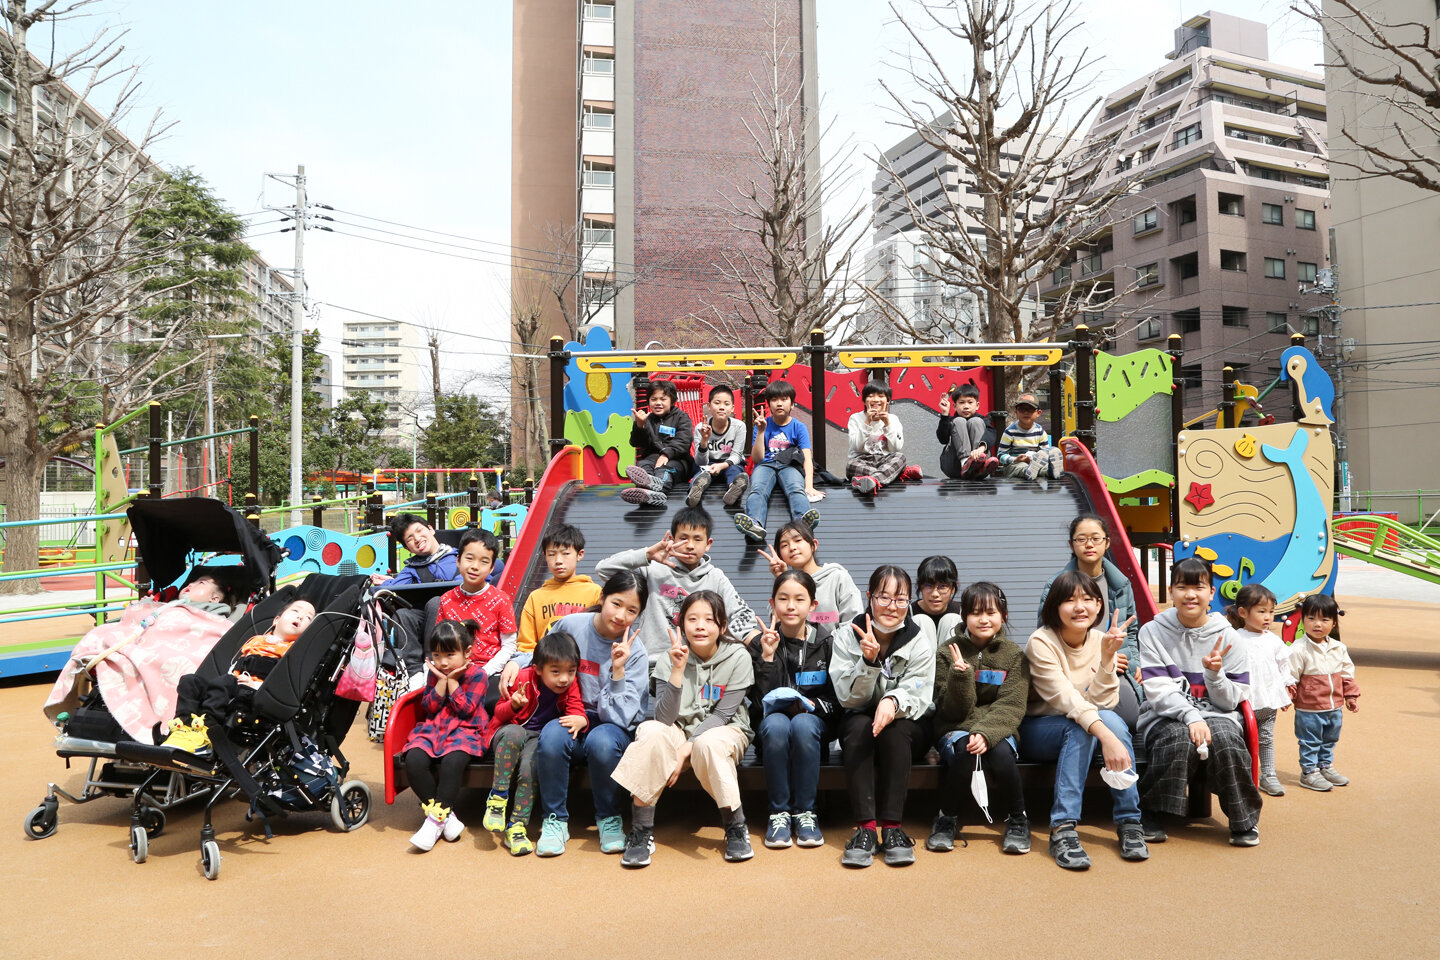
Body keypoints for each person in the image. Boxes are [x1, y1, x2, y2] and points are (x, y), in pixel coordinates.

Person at [613, 591, 756, 867]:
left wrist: (685, 749)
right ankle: (641, 831)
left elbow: (724, 714)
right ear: (681, 624)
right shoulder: (668, 658)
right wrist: (677, 670)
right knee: (651, 731)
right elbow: (664, 717)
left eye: (708, 620)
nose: (700, 626)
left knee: (709, 743)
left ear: (722, 626)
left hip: (726, 729)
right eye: (692, 619)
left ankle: (735, 826)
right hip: (677, 728)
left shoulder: (739, 656)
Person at [1021, 570, 1146, 870]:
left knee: (1110, 723)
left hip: (1083, 724)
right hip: (1039, 729)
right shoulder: (1041, 642)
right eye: (1069, 600)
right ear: (1054, 606)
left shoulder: (1103, 640)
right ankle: (1062, 828)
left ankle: (1129, 821)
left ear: (1099, 605)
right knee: (1089, 729)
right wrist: (1107, 737)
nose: (1080, 607)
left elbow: (1105, 702)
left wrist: (1106, 659)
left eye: (1088, 599)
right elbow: (1068, 700)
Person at [1136, 558, 1262, 848]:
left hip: (1220, 714)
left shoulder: (1229, 637)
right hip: (1166, 714)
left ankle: (1243, 820)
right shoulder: (1152, 632)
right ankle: (1152, 811)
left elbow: (1234, 699)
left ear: (1211, 592)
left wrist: (1215, 675)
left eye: (1198, 587)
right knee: (1177, 737)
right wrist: (1192, 716)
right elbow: (1157, 690)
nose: (1190, 594)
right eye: (1182, 587)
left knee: (1228, 740)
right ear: (1171, 591)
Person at [531, 571, 651, 857]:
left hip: (611, 724)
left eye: (632, 610)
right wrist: (516, 662)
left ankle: (609, 818)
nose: (621, 615)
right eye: (617, 604)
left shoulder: (635, 652)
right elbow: (542, 654)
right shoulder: (571, 625)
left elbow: (621, 717)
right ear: (602, 598)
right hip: (572, 713)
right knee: (551, 737)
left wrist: (618, 672)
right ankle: (554, 820)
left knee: (602, 742)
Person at [830, 565, 937, 868]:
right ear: (869, 597)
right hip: (860, 719)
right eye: (884, 597)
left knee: (896, 732)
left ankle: (892, 828)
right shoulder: (845, 636)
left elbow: (920, 690)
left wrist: (892, 700)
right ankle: (865, 829)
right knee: (858, 726)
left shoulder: (918, 639)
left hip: (906, 725)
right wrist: (868, 663)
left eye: (900, 599)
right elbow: (848, 697)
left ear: (909, 602)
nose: (892, 607)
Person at [927, 582, 1032, 855]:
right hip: (956, 726)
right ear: (965, 617)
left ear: (1003, 616)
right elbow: (948, 710)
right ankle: (946, 818)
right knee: (965, 751)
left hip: (998, 727)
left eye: (991, 612)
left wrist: (985, 732)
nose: (983, 619)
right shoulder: (947, 652)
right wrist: (960, 677)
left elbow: (1011, 704)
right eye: (975, 613)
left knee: (1000, 754)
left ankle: (1018, 818)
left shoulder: (1014, 655)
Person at [595, 505, 761, 655]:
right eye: (683, 538)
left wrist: (724, 641)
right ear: (672, 539)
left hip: (696, 666)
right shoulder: (653, 569)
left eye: (697, 539)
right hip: (652, 664)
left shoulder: (715, 578)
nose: (690, 545)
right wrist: (645, 555)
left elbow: (744, 615)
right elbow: (603, 570)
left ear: (708, 543)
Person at [753, 570, 841, 850]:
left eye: (799, 599)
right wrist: (767, 659)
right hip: (772, 730)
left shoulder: (826, 643)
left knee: (803, 724)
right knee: (778, 723)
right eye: (783, 599)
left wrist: (813, 705)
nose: (791, 606)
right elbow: (757, 704)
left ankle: (806, 812)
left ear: (812, 605)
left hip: (812, 727)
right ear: (772, 603)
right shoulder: (761, 643)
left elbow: (838, 697)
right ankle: (778, 813)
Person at [162, 597, 317, 753]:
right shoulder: (255, 640)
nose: (300, 617)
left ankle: (207, 732)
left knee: (226, 682)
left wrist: (256, 685)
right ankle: (183, 726)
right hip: (233, 682)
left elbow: (284, 683)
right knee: (190, 681)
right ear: (276, 620)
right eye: (295, 611)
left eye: (308, 618)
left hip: (258, 693)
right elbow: (236, 665)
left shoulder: (293, 652)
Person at [482, 631, 587, 856]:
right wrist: (514, 705)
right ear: (539, 669)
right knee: (515, 734)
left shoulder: (571, 685)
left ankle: (517, 826)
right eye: (556, 671)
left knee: (531, 766)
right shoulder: (523, 678)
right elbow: (499, 714)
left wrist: (582, 719)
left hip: (538, 738)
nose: (564, 679)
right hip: (508, 731)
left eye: (571, 671)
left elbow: (577, 710)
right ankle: (497, 799)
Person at [401, 620, 490, 851]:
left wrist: (451, 682)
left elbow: (466, 709)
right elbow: (429, 707)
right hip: (435, 728)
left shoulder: (478, 675)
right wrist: (441, 681)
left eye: (450, 654)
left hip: (466, 730)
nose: (442, 662)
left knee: (452, 762)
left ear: (467, 652)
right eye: (437, 655)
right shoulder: (436, 674)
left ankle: (433, 822)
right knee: (413, 759)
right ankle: (445, 819)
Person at [1036, 514, 1142, 708]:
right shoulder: (1056, 586)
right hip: (1073, 668)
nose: (1089, 544)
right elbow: (1046, 631)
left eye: (1095, 538)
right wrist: (1100, 658)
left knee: (1131, 715)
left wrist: (1135, 663)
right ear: (1071, 544)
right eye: (1082, 539)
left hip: (1115, 666)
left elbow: (1131, 631)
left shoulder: (1120, 585)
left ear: (1107, 543)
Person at [422, 529, 517, 698]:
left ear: (492, 567)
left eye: (484, 561)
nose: (475, 566)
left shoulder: (501, 600)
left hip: (488, 671)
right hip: (452, 671)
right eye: (469, 558)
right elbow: (440, 642)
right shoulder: (446, 600)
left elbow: (509, 645)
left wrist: (485, 672)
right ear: (458, 560)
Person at [506, 524, 601, 690]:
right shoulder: (536, 597)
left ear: (580, 554)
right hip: (550, 675)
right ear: (544, 556)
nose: (558, 560)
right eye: (552, 554)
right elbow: (527, 645)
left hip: (584, 672)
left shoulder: (594, 593)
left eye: (565, 553)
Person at [1286, 593, 1359, 792]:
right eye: (1311, 618)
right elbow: (1290, 676)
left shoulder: (1338, 648)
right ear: (1303, 620)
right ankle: (1309, 772)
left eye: (1324, 619)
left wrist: (1350, 696)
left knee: (1330, 739)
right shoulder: (1298, 649)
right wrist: (1288, 697)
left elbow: (1346, 673)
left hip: (1334, 706)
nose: (1317, 624)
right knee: (1310, 741)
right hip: (1309, 708)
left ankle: (1325, 766)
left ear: (1334, 623)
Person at [735, 379, 822, 542]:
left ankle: (803, 522)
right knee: (757, 490)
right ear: (769, 404)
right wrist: (761, 432)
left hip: (788, 465)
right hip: (766, 464)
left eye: (784, 399)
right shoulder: (762, 424)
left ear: (792, 404)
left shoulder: (799, 427)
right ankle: (754, 523)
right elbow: (757, 458)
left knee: (796, 489)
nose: (779, 404)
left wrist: (809, 485)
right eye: (774, 400)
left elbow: (807, 457)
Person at [1227, 584, 1290, 796]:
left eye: (1271, 612)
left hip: (1269, 700)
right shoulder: (1236, 638)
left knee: (1266, 738)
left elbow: (1284, 665)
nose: (1268, 617)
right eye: (1261, 611)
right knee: (1242, 738)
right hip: (1245, 702)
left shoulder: (1273, 640)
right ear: (1243, 612)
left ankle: (1269, 774)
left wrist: (1287, 686)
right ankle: (1244, 775)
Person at [756, 520, 863, 629]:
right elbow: (779, 628)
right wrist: (782, 578)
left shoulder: (838, 578)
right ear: (780, 555)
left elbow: (853, 623)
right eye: (784, 545)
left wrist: (830, 645)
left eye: (798, 540)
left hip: (838, 645)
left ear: (814, 545)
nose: (792, 547)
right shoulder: (781, 590)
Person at [623, 379, 696, 507]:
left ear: (672, 401)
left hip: (679, 460)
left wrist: (666, 454)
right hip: (652, 458)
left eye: (663, 399)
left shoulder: (681, 417)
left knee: (665, 470)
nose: (658, 403)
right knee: (643, 465)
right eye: (654, 399)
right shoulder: (647, 419)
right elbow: (635, 442)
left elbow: (683, 440)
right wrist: (640, 426)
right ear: (649, 402)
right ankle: (647, 489)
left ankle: (659, 490)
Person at [846, 380, 922, 494]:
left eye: (881, 396)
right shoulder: (855, 418)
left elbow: (896, 448)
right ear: (864, 400)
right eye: (871, 396)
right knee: (850, 465)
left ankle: (873, 480)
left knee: (901, 457)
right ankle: (895, 474)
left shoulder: (893, 419)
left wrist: (887, 424)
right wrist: (867, 423)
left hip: (885, 459)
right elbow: (856, 447)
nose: (876, 400)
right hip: (862, 460)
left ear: (888, 401)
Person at [686, 383, 749, 508]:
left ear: (732, 408)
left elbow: (737, 455)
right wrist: (704, 440)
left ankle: (733, 490)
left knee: (736, 470)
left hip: (729, 463)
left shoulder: (739, 426)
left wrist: (721, 466)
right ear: (709, 406)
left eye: (726, 404)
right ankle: (694, 491)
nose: (721, 407)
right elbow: (699, 461)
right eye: (717, 403)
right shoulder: (701, 428)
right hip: (707, 464)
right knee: (701, 473)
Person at [371, 513, 458, 587]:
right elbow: (394, 587)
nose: (417, 539)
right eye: (410, 539)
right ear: (407, 548)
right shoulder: (410, 570)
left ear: (431, 529)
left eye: (419, 531)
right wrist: (388, 582)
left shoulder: (460, 556)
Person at [936, 382, 1001, 479]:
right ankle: (965, 462)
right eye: (962, 402)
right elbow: (943, 439)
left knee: (976, 422)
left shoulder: (982, 420)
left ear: (977, 405)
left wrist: (981, 448)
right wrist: (945, 414)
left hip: (978, 467)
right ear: (954, 406)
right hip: (954, 467)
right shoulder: (951, 421)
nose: (966, 406)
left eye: (970, 402)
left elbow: (991, 433)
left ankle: (978, 463)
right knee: (959, 421)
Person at [997, 392, 1064, 481]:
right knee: (1020, 467)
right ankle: (1028, 471)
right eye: (1022, 409)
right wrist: (1015, 459)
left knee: (1043, 467)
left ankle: (1051, 471)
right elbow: (1000, 455)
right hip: (1015, 464)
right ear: (1016, 411)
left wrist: (1034, 458)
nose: (1026, 412)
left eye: (1030, 409)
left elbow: (1044, 452)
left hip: (1034, 462)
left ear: (1038, 413)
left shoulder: (1040, 431)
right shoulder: (1010, 431)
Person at [911, 555, 963, 646]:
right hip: (918, 659)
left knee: (952, 619)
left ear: (953, 588)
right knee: (920, 620)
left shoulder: (962, 612)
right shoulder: (907, 612)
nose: (935, 594)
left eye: (942, 586)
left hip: (954, 659)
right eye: (928, 585)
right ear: (920, 586)